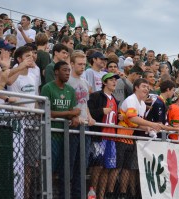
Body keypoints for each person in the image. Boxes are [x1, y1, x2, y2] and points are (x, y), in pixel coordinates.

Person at [115, 78, 162, 198]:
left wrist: (146, 128)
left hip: (130, 137)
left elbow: (137, 123)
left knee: (127, 168)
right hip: (121, 136)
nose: (146, 89)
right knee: (117, 168)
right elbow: (132, 118)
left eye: (147, 87)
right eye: (143, 86)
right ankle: (111, 194)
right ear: (136, 87)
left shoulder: (141, 103)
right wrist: (151, 124)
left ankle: (123, 193)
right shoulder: (131, 99)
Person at [41, 61, 80, 199]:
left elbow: (75, 111)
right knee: (49, 170)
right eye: (65, 70)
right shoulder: (47, 88)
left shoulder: (70, 90)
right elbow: (47, 112)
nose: (68, 73)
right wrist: (69, 114)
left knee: (65, 171)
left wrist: (74, 116)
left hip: (66, 136)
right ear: (56, 72)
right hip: (50, 135)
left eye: (69, 70)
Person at [66, 51, 95, 198]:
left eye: (84, 64)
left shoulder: (85, 82)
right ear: (71, 64)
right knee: (70, 164)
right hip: (72, 127)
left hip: (85, 126)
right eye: (79, 64)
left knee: (82, 166)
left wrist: (90, 117)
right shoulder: (67, 80)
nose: (82, 67)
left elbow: (85, 104)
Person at [87, 73, 120, 199]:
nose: (114, 82)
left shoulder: (115, 99)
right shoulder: (96, 96)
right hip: (99, 137)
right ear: (104, 83)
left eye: (115, 80)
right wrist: (102, 111)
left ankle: (102, 196)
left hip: (111, 137)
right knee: (97, 167)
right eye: (111, 80)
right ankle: (92, 195)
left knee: (108, 168)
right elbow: (89, 112)